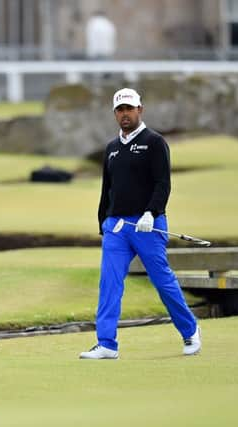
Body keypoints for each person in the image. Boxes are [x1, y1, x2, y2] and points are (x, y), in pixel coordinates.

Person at [80, 88, 201, 359]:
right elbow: (107, 189)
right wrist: (104, 222)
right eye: (120, 110)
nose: (125, 114)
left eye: (129, 109)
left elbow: (162, 183)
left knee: (162, 281)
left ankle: (190, 330)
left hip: (148, 224)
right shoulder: (112, 149)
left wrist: (151, 212)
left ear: (140, 110)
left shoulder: (154, 142)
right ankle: (107, 344)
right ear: (115, 114)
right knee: (109, 283)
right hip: (117, 227)